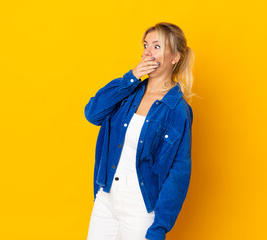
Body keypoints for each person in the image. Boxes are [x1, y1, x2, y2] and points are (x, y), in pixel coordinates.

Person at [84, 22, 195, 240]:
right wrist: (131, 77)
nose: (147, 51)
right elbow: (92, 113)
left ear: (175, 58)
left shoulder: (177, 110)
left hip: (140, 207)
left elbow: (178, 173)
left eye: (157, 46)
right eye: (145, 45)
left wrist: (159, 227)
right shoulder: (128, 91)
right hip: (107, 198)